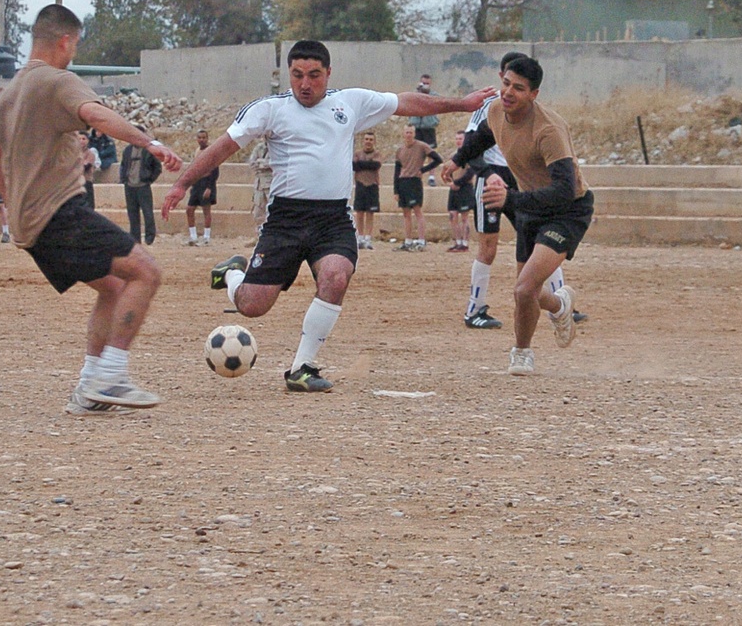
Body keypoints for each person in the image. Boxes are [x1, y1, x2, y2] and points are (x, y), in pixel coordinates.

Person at [161, 40, 494, 392]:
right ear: (288, 75)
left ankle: (301, 368)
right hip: (286, 220)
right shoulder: (269, 110)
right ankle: (231, 275)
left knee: (336, 277)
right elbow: (223, 147)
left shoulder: (349, 103)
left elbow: (407, 102)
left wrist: (463, 103)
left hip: (333, 218)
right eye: (297, 75)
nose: (305, 84)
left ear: (328, 73)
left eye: (314, 75)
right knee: (252, 306)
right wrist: (181, 184)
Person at [0, 3, 182, 415]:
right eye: (74, 44)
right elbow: (96, 115)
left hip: (30, 225)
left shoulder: (8, 95)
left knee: (112, 288)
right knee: (146, 272)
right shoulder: (57, 82)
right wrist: (149, 143)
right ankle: (112, 375)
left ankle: (89, 389)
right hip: (60, 213)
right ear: (65, 40)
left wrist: (12, 204)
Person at [443, 56, 593, 376]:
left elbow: (565, 189)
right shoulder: (498, 109)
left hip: (566, 211)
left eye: (519, 88)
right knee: (531, 291)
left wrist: (511, 198)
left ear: (533, 95)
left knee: (523, 289)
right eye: (506, 83)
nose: (509, 92)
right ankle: (560, 305)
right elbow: (484, 136)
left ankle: (521, 352)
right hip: (532, 207)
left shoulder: (548, 130)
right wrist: (456, 160)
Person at [393, 123, 442, 252]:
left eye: (411, 132)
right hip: (403, 182)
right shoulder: (400, 150)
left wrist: (423, 169)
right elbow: (397, 170)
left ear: (414, 134)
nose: (408, 135)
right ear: (403, 134)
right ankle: (408, 241)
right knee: (406, 213)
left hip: (414, 181)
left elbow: (438, 159)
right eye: (406, 132)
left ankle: (421, 240)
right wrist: (395, 190)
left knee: (417, 211)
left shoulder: (421, 146)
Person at [119, 126, 163, 245]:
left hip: (143, 186)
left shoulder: (149, 151)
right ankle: (135, 238)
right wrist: (124, 179)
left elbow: (157, 168)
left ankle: (150, 236)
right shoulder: (127, 150)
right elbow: (123, 165)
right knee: (132, 213)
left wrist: (149, 179)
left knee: (147, 212)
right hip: (130, 186)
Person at [185, 129, 218, 246]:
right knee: (189, 209)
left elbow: (215, 170)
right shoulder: (197, 151)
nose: (202, 140)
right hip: (197, 183)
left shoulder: (211, 151)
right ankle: (193, 236)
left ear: (207, 139)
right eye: (200, 137)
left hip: (207, 182)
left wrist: (209, 187)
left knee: (206, 210)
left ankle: (206, 237)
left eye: (204, 137)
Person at [352, 131, 383, 250]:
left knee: (370, 213)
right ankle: (360, 237)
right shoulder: (357, 153)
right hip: (360, 184)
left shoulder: (377, 154)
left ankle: (368, 238)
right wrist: (367, 164)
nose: (368, 142)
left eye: (371, 139)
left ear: (374, 141)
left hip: (372, 185)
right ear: (363, 141)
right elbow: (354, 166)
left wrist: (362, 164)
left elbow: (375, 165)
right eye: (366, 139)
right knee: (359, 212)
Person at [446, 130, 476, 253]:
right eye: (457, 139)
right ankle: (457, 242)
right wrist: (451, 183)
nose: (458, 141)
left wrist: (458, 183)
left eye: (461, 139)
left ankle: (465, 243)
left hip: (465, 188)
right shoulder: (454, 155)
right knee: (453, 215)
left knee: (464, 217)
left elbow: (470, 173)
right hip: (454, 188)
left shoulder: (469, 155)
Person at [408, 73, 440, 186]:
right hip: (417, 127)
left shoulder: (434, 95)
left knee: (431, 152)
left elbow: (435, 103)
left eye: (427, 84)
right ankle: (416, 175)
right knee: (417, 153)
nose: (425, 85)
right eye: (423, 83)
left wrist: (425, 93)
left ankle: (431, 176)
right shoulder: (414, 94)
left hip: (429, 127)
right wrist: (418, 92)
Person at [248, 136, 272, 229]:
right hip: (259, 184)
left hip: (271, 184)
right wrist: (261, 163)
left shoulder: (277, 148)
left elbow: (273, 163)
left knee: (271, 211)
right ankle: (258, 236)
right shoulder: (259, 147)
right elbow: (252, 163)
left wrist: (260, 163)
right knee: (258, 212)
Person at [78, 130, 102, 210]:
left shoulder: (90, 153)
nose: (81, 141)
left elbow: (86, 166)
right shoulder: (73, 153)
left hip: (86, 181)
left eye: (84, 139)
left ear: (88, 141)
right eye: (79, 139)